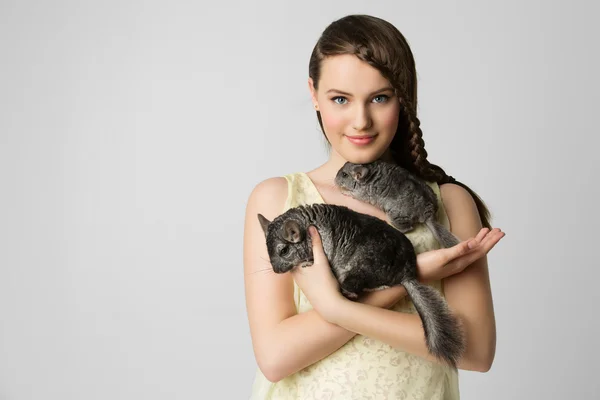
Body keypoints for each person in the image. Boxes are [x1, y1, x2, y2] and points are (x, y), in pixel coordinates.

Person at [243, 14, 505, 399]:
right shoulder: (279, 200)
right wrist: (411, 274)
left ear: (403, 98)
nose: (361, 120)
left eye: (379, 98)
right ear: (314, 94)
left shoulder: (446, 205)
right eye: (340, 99)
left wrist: (338, 307)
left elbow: (476, 350)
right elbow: (276, 357)